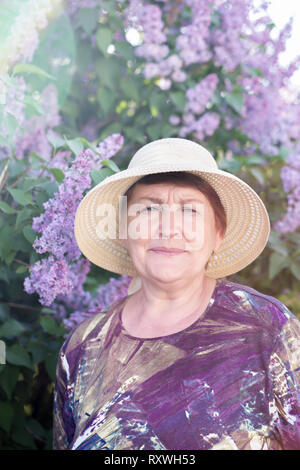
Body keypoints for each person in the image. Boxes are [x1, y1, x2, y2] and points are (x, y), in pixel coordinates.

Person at [53, 138, 300, 450]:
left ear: (218, 234)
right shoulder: (83, 349)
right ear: (124, 230)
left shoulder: (269, 329)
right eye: (149, 208)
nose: (168, 228)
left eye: (190, 210)